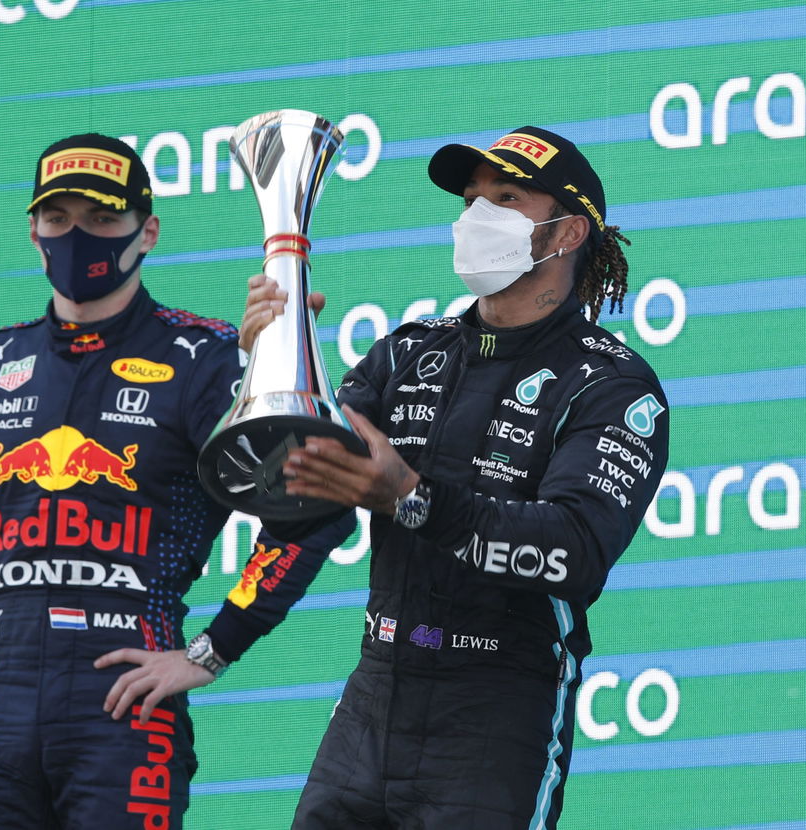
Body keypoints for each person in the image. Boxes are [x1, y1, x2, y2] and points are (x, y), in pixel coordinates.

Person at [0, 132, 346, 829]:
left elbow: (316, 507)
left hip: (124, 707)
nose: (78, 237)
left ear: (149, 232)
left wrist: (211, 649)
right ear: (33, 231)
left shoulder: (201, 360)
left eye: (103, 219)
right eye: (59, 219)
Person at [241, 126, 670, 828]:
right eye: (473, 199)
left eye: (506, 198)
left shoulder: (610, 384)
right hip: (374, 691)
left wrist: (410, 498)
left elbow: (574, 550)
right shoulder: (406, 353)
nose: (477, 217)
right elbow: (290, 497)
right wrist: (272, 369)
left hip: (497, 708)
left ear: (566, 235)